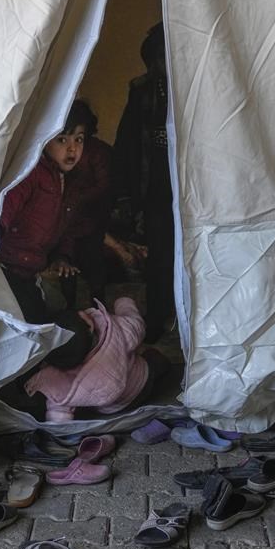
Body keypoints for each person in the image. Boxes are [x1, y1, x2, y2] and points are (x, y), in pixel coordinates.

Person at [0, 103, 93, 324]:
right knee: (31, 322)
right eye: (62, 140)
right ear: (45, 139)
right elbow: (4, 213)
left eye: (79, 139)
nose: (72, 149)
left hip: (32, 270)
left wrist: (62, 257)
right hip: (7, 267)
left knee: (62, 303)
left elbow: (66, 229)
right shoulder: (31, 174)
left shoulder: (70, 183)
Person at [114, 22, 175, 344]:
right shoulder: (143, 91)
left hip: (188, 185)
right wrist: (126, 196)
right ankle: (158, 317)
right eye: (160, 57)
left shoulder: (198, 87)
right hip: (156, 185)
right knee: (160, 254)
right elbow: (127, 145)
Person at [24, 297, 169, 422]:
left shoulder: (58, 373)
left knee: (72, 392)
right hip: (141, 384)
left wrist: (58, 427)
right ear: (89, 325)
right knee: (153, 357)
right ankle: (167, 370)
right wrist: (124, 303)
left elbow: (59, 403)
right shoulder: (116, 330)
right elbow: (137, 326)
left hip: (109, 408)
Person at [60, 102, 114, 307]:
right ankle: (70, 307)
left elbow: (104, 185)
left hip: (90, 217)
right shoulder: (59, 152)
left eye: (79, 138)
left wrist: (77, 198)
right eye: (65, 137)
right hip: (65, 217)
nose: (72, 146)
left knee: (93, 262)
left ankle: (98, 307)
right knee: (66, 263)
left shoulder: (98, 152)